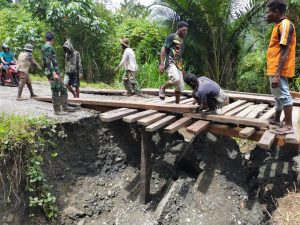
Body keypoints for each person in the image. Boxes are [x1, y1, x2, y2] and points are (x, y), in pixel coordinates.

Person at [266, 0, 296, 134]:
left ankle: (288, 125)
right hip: (274, 68)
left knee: (283, 95)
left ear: (277, 12)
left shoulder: (285, 25)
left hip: (279, 69)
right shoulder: (278, 25)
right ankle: (277, 119)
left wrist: (277, 74)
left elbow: (285, 51)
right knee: (277, 96)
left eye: (269, 12)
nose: (267, 15)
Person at [42, 32, 72, 115]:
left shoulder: (46, 47)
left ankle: (65, 107)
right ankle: (57, 110)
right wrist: (54, 73)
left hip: (54, 71)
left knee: (63, 88)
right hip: (52, 72)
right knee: (55, 90)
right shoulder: (48, 47)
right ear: (53, 40)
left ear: (45, 38)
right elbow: (48, 62)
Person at [159, 21, 188, 104]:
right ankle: (163, 88)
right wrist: (161, 64)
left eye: (186, 30)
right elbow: (163, 49)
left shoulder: (182, 40)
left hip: (178, 64)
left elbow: (179, 55)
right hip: (170, 62)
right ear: (178, 29)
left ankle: (177, 104)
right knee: (175, 79)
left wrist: (182, 68)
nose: (185, 32)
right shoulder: (171, 37)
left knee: (181, 86)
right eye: (183, 30)